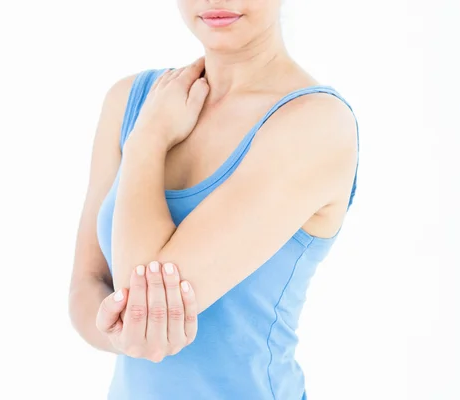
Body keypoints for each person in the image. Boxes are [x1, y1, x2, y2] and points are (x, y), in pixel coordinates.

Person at [69, 1, 359, 399]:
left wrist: (148, 143)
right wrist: (127, 339)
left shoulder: (316, 125)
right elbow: (88, 283)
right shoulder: (129, 100)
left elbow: (147, 302)